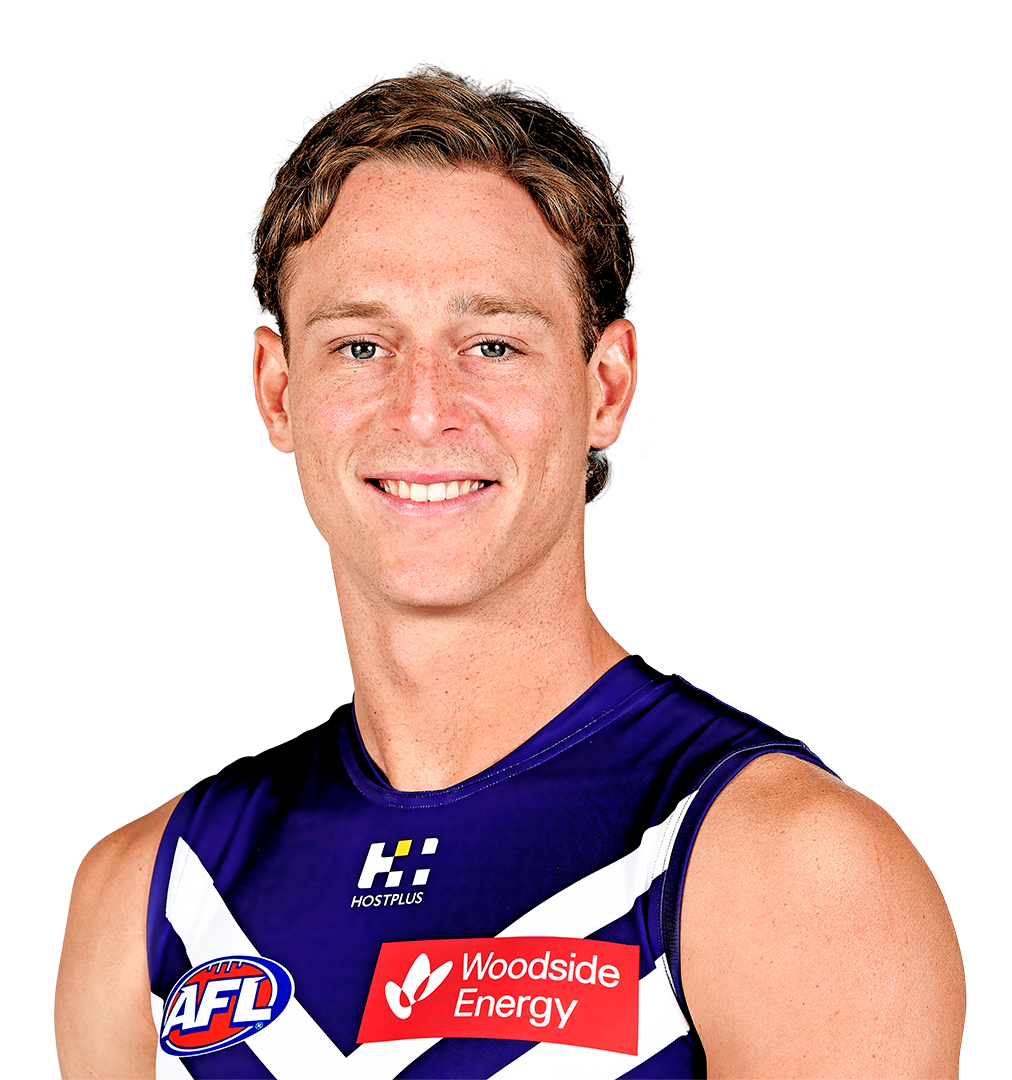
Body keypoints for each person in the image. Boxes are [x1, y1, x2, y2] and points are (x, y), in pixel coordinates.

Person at [56, 57, 965, 1079]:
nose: (423, 410)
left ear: (607, 388)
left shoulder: (787, 872)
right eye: (360, 347)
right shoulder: (152, 898)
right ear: (278, 388)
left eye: (492, 345)